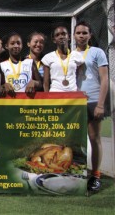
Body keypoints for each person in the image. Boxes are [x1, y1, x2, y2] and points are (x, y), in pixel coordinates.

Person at [74, 21, 109, 192]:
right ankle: (77, 174)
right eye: (78, 33)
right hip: (75, 102)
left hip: (94, 100)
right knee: (76, 141)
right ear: (74, 35)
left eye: (84, 33)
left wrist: (101, 104)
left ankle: (95, 176)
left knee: (94, 139)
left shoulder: (97, 52)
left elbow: (105, 79)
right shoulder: (70, 54)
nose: (81, 36)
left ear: (90, 35)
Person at [42, 25, 84, 92]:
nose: (61, 37)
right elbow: (46, 83)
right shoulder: (48, 58)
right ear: (54, 40)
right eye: (57, 35)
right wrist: (48, 99)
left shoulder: (77, 56)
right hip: (55, 94)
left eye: (64, 34)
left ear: (69, 37)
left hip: (73, 94)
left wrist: (80, 91)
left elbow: (80, 78)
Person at [0, 32, 42, 96]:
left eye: (18, 43)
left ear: (22, 45)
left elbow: (41, 84)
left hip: (27, 103)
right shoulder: (2, 65)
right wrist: (4, 86)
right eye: (12, 43)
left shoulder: (30, 62)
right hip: (9, 102)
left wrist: (34, 83)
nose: (16, 46)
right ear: (6, 46)